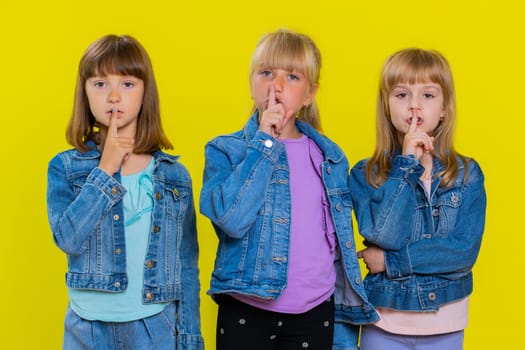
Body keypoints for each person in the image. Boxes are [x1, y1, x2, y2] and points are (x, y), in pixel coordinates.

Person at [199, 29, 378, 350]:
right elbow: (232, 219)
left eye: (292, 77)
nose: (277, 85)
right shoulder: (226, 151)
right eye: (266, 73)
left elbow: (336, 243)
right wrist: (265, 142)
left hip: (315, 309)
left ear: (310, 93)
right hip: (247, 306)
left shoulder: (329, 156)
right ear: (252, 82)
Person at [46, 34, 203, 350]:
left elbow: (186, 266)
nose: (114, 96)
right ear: (85, 93)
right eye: (100, 84)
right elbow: (67, 239)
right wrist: (104, 170)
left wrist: (189, 337)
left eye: (127, 84)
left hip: (154, 327)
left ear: (146, 93)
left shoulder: (174, 176)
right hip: (86, 326)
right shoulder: (65, 169)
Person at [349, 48, 487, 350]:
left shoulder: (466, 175)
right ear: (386, 107)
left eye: (427, 95)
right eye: (401, 95)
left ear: (444, 109)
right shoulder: (365, 174)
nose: (414, 106)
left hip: (445, 323)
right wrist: (406, 167)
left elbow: (462, 253)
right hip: (383, 321)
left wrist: (389, 261)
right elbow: (382, 233)